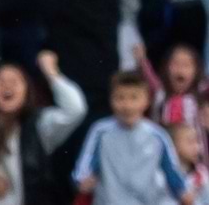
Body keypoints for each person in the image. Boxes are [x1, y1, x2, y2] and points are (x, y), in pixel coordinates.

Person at [0, 53, 88, 205]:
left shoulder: (38, 126)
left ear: (27, 90)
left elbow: (75, 109)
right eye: (0, 81)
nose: (7, 86)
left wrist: (51, 73)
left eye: (14, 81)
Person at [74, 71, 192, 205]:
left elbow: (173, 173)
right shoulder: (101, 132)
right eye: (120, 98)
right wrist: (84, 181)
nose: (127, 105)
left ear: (147, 101)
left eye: (134, 98)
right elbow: (83, 170)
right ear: (111, 100)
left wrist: (184, 193)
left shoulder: (157, 135)